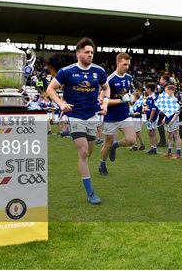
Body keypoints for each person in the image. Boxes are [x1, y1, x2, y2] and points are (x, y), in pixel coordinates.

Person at [46, 37, 109, 205]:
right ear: (78, 53)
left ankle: (87, 162)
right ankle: (90, 193)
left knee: (89, 151)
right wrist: (61, 103)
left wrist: (105, 103)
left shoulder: (99, 71)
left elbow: (106, 87)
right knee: (82, 152)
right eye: (87, 52)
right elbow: (50, 89)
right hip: (75, 116)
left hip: (93, 116)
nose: (90, 55)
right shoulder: (66, 72)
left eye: (92, 52)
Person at [99, 53, 136, 176]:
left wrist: (131, 97)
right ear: (118, 63)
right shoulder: (109, 80)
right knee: (106, 144)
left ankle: (116, 145)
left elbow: (128, 94)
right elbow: (102, 101)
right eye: (124, 64)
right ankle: (102, 164)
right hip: (111, 118)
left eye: (128, 65)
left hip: (125, 115)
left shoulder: (129, 78)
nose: (126, 67)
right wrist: (121, 100)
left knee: (131, 140)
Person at [160, 84, 182, 159]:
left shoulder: (175, 99)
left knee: (176, 135)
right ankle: (169, 152)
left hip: (174, 120)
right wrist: (164, 119)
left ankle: (178, 153)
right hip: (168, 119)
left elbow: (177, 112)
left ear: (171, 91)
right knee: (169, 136)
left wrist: (172, 120)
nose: (166, 93)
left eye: (167, 91)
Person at [144, 83, 159, 155]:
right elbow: (148, 108)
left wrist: (150, 118)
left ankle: (154, 148)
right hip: (148, 117)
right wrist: (145, 110)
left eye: (146, 88)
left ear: (149, 89)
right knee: (150, 133)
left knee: (153, 132)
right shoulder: (149, 97)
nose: (146, 90)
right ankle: (152, 147)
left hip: (153, 118)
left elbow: (154, 109)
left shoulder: (154, 97)